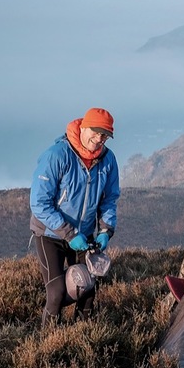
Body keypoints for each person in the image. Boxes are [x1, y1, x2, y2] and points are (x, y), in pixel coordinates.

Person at [30, 107, 120, 326]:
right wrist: (69, 234)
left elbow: (109, 199)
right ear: (83, 127)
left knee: (88, 288)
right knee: (57, 292)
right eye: (95, 132)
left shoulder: (108, 160)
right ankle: (47, 344)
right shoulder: (57, 155)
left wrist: (106, 230)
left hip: (84, 233)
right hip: (50, 234)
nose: (99, 139)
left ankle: (82, 338)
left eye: (104, 135)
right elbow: (39, 203)